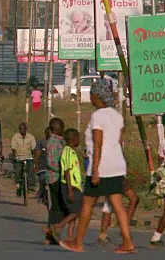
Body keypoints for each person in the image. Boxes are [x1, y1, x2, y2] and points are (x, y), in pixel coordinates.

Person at [60, 80, 135, 254]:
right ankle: (128, 242)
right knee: (117, 203)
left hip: (102, 166)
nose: (91, 98)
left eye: (92, 95)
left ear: (98, 96)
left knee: (87, 204)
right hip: (117, 165)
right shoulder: (117, 116)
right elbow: (118, 141)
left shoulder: (98, 116)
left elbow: (98, 144)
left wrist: (95, 170)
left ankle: (78, 243)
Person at [45, 128, 82, 242]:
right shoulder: (66, 151)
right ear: (73, 139)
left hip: (75, 186)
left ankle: (70, 236)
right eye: (78, 138)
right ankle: (57, 227)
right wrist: (70, 190)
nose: (79, 141)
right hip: (69, 186)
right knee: (77, 212)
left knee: (73, 211)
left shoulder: (71, 151)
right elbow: (66, 171)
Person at [45, 117, 67, 245]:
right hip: (55, 177)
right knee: (57, 207)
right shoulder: (53, 142)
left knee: (56, 206)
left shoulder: (58, 141)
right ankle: (52, 232)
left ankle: (52, 233)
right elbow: (51, 163)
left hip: (57, 177)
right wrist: (63, 169)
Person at [11, 122, 37, 196]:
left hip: (28, 157)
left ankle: (31, 186)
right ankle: (18, 184)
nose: (22, 130)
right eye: (21, 129)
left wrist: (34, 154)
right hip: (19, 157)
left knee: (31, 170)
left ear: (26, 129)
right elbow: (13, 147)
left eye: (23, 128)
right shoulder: (15, 137)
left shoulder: (31, 137)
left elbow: (33, 147)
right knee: (18, 170)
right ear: (19, 129)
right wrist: (14, 155)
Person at [34, 127, 51, 207]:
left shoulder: (56, 143)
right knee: (42, 178)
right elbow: (37, 154)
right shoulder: (41, 142)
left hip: (53, 168)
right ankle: (41, 192)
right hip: (43, 166)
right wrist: (36, 165)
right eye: (48, 132)